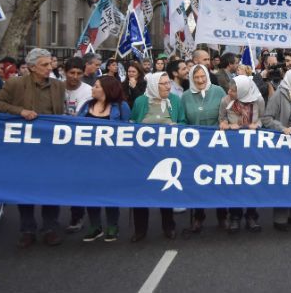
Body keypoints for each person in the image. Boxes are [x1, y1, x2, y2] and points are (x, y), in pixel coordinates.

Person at [0, 48, 66, 248]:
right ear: (31, 68)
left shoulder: (58, 86)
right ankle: (27, 229)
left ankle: (50, 227)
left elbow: (61, 112)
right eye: (45, 65)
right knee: (26, 187)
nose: (50, 67)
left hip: (50, 147)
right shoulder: (15, 84)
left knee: (50, 187)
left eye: (50, 64)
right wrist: (19, 111)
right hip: (24, 147)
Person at [130, 72, 185, 242]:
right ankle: (140, 230)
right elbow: (133, 122)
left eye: (168, 83)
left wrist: (178, 126)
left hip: (166, 154)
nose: (168, 86)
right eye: (163, 84)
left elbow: (183, 121)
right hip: (143, 155)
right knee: (141, 192)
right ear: (154, 85)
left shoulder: (175, 101)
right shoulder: (140, 102)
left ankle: (168, 226)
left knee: (165, 190)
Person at [76, 76, 131, 242]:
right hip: (88, 157)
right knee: (90, 191)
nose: (93, 88)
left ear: (107, 89)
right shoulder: (87, 106)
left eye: (97, 86)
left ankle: (112, 225)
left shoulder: (121, 107)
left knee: (109, 191)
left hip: (112, 159)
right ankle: (95, 225)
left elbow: (127, 132)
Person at [262, 67, 291, 231]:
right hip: (282, 145)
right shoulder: (279, 94)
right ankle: (280, 219)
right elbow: (267, 118)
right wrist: (282, 128)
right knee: (284, 180)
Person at [181, 64, 227, 232]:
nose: (200, 80)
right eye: (196, 78)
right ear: (192, 79)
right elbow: (183, 119)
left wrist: (224, 122)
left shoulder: (219, 91)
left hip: (217, 145)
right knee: (197, 182)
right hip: (196, 147)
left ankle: (222, 216)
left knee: (219, 181)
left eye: (203, 77)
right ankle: (199, 217)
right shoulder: (185, 96)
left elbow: (225, 114)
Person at [218, 76, 265, 233]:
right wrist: (226, 125)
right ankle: (235, 217)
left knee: (252, 181)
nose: (229, 92)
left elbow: (263, 119)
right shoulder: (225, 101)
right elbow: (221, 120)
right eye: (230, 89)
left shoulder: (258, 100)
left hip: (253, 148)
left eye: (233, 90)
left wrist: (256, 125)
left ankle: (252, 216)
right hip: (234, 148)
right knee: (235, 181)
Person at [62, 56, 92, 234]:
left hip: (79, 143)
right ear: (64, 72)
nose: (74, 77)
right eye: (71, 73)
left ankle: (77, 215)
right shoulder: (57, 88)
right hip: (58, 142)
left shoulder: (88, 91)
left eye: (79, 73)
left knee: (77, 179)